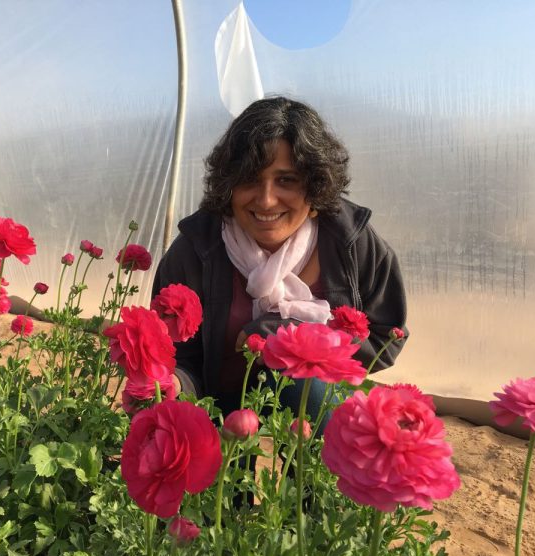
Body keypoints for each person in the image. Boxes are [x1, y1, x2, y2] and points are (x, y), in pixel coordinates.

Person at [152, 96, 407, 423]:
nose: (266, 200)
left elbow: (385, 336)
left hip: (310, 419)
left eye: (286, 180)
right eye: (249, 179)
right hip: (221, 417)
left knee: (306, 385)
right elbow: (178, 356)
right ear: (229, 185)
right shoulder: (196, 249)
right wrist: (175, 383)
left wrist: (291, 336)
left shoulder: (350, 242)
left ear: (314, 185)